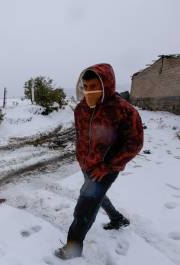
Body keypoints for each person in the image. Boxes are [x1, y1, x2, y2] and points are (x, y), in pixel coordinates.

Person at [55, 64, 144, 260]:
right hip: (86, 165)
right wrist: (81, 158)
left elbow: (135, 143)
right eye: (85, 86)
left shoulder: (123, 111)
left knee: (84, 208)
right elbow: (81, 137)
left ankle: (73, 248)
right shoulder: (81, 109)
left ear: (106, 84)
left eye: (94, 85)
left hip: (106, 169)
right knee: (98, 196)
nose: (89, 90)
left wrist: (108, 166)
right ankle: (117, 219)